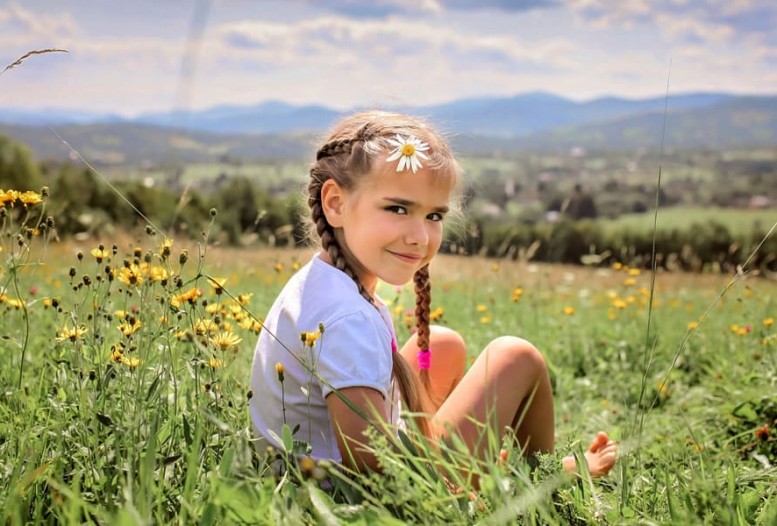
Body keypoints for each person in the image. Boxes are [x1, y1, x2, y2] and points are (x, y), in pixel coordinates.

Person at [248, 110, 617, 479]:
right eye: (397, 208)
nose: (420, 237)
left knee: (441, 344)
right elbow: (373, 469)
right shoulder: (347, 318)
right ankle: (541, 479)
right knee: (515, 356)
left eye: (434, 217)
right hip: (356, 498)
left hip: (317, 468)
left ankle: (493, 465)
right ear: (335, 204)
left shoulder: (324, 281)